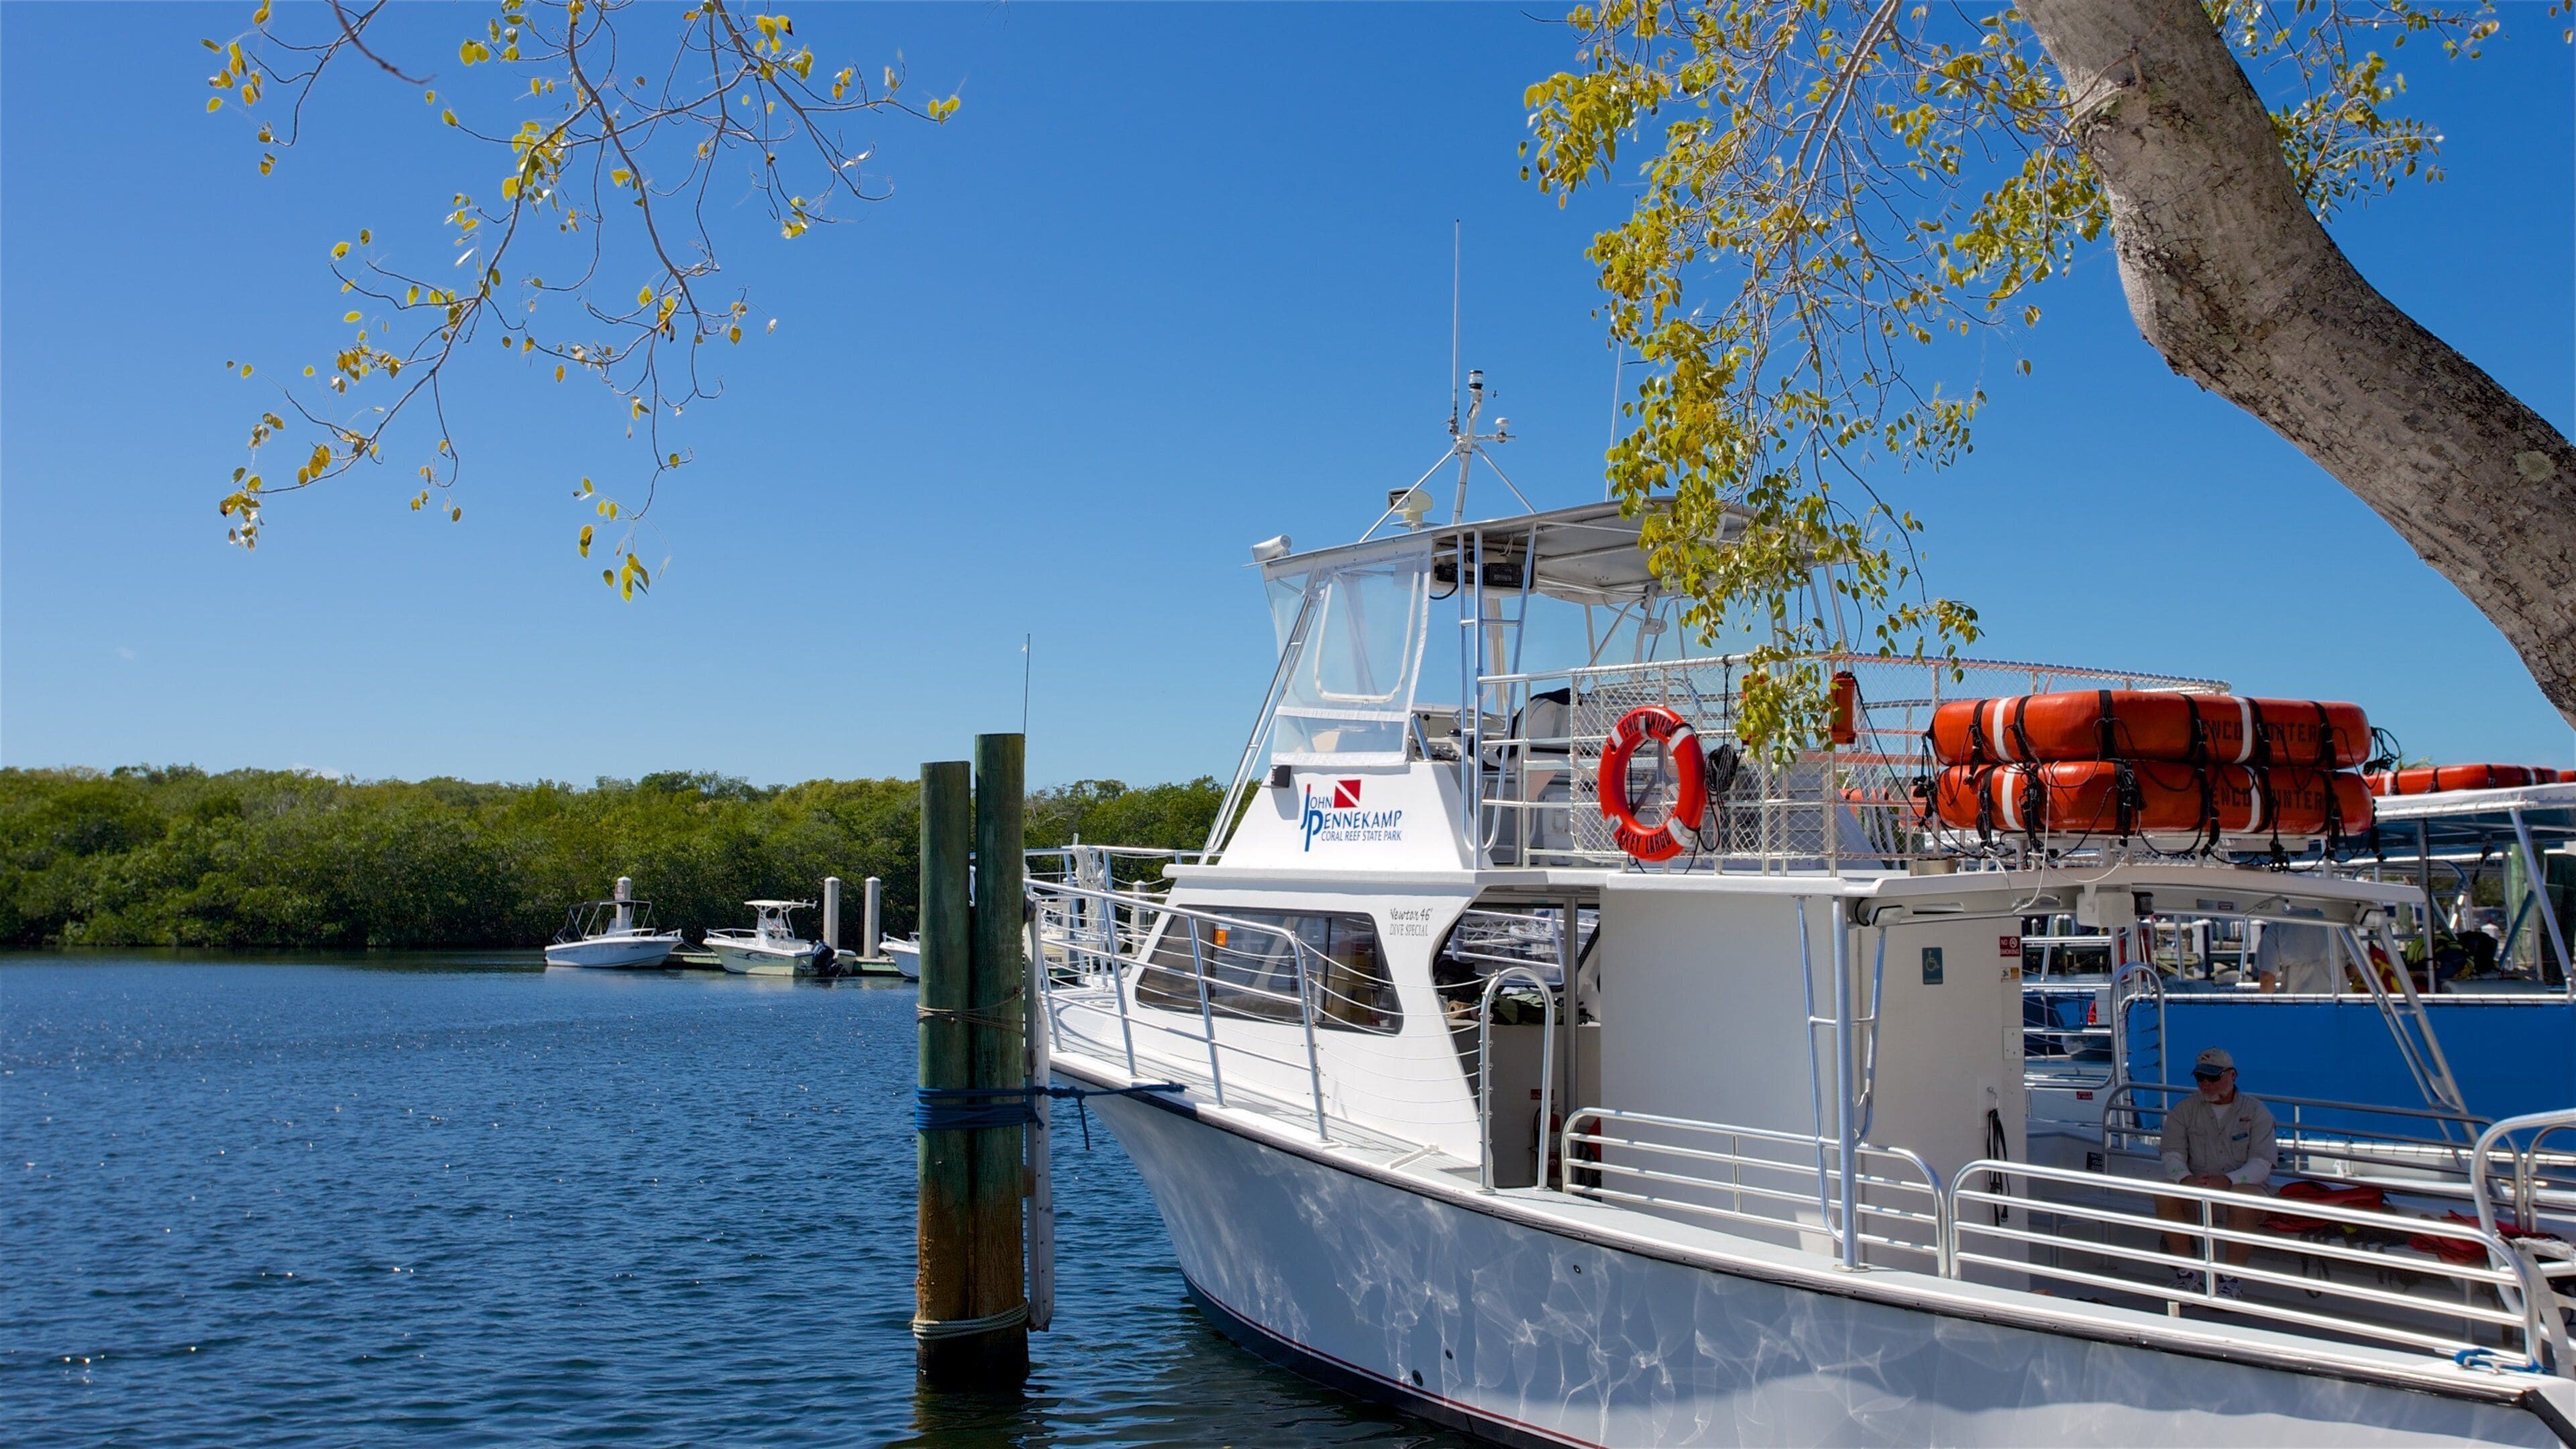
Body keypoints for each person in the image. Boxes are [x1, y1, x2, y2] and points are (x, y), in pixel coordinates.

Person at [2153, 1046, 2277, 1301]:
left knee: (2243, 1196)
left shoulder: (2257, 1112)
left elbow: (2263, 1163)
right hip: (2197, 1189)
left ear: (2232, 1076)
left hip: (2239, 1189)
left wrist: (2228, 1181)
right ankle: (2187, 1276)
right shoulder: (2183, 1110)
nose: (2206, 1084)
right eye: (2200, 1078)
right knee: (2165, 1191)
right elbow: (2171, 1154)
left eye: (2213, 1077)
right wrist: (2186, 1179)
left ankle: (2231, 1280)